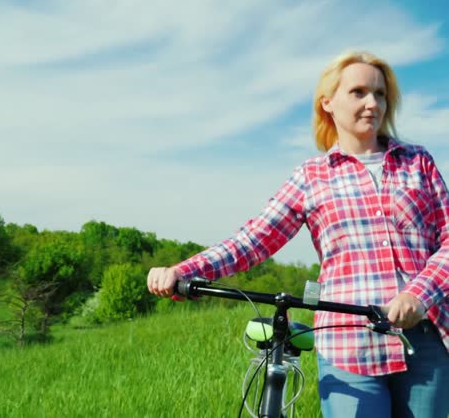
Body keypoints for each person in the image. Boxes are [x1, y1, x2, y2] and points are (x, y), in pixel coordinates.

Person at [147, 50, 449, 418]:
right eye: (358, 92)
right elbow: (253, 240)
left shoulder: (417, 162)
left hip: (423, 339)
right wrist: (185, 270)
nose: (373, 103)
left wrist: (418, 295)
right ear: (328, 103)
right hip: (347, 346)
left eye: (380, 94)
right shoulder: (311, 176)